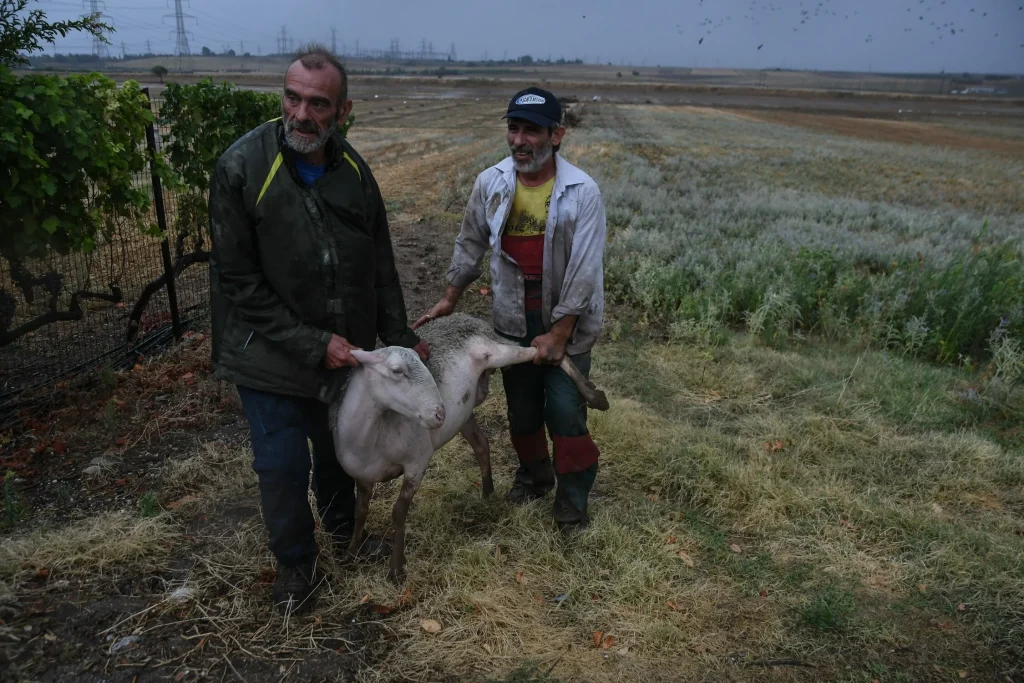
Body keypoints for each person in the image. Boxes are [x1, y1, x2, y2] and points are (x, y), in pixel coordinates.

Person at [208, 44, 429, 613]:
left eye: (318, 104)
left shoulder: (354, 171)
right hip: (267, 353)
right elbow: (237, 281)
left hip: (341, 351)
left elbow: (380, 265)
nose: (301, 115)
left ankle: (341, 529)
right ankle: (296, 567)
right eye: (292, 98)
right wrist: (311, 342)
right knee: (282, 463)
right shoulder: (240, 168)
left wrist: (400, 339)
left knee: (337, 448)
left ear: (343, 110)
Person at [415, 87, 606, 537]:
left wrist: (559, 334)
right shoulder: (492, 183)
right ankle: (534, 476)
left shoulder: (583, 192)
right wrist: (449, 297)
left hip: (566, 321)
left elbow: (583, 272)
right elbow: (470, 243)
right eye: (514, 128)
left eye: (533, 131)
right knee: (521, 411)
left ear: (556, 135)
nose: (520, 140)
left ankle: (572, 501)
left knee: (564, 410)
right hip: (512, 319)